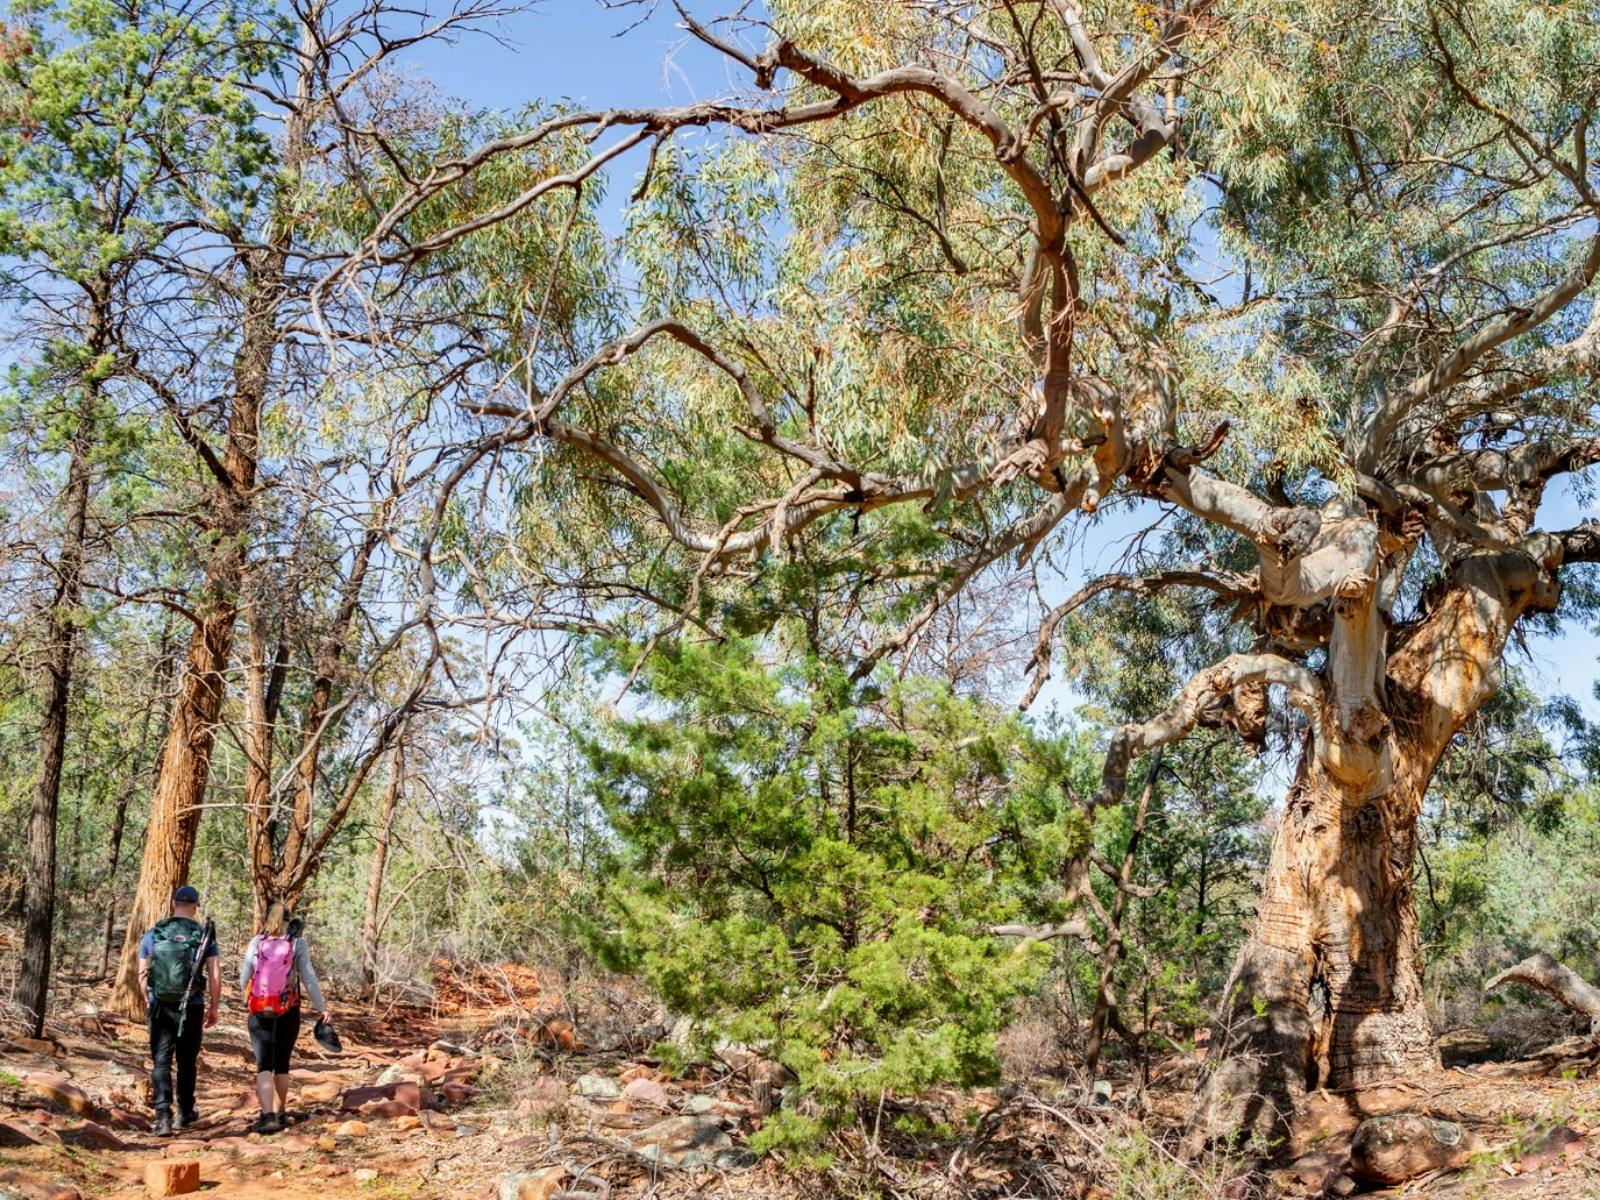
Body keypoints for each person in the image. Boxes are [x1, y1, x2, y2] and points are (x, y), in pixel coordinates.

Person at [137, 884, 221, 1137]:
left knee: (161, 1060)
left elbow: (141, 972)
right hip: (192, 1005)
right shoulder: (202, 935)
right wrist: (214, 1006)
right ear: (195, 906)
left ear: (174, 904)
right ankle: (184, 1112)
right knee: (187, 1061)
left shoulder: (154, 933)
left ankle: (162, 1116)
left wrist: (149, 999)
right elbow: (214, 974)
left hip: (161, 1004)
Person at [239, 901, 328, 1134]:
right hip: (289, 1010)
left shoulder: (257, 942)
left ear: (268, 919)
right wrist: (321, 1008)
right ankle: (280, 1113)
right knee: (282, 1064)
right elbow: (308, 978)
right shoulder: (297, 944)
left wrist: (248, 995)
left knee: (263, 1065)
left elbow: (245, 974)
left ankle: (267, 1115)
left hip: (260, 1009)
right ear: (289, 922)